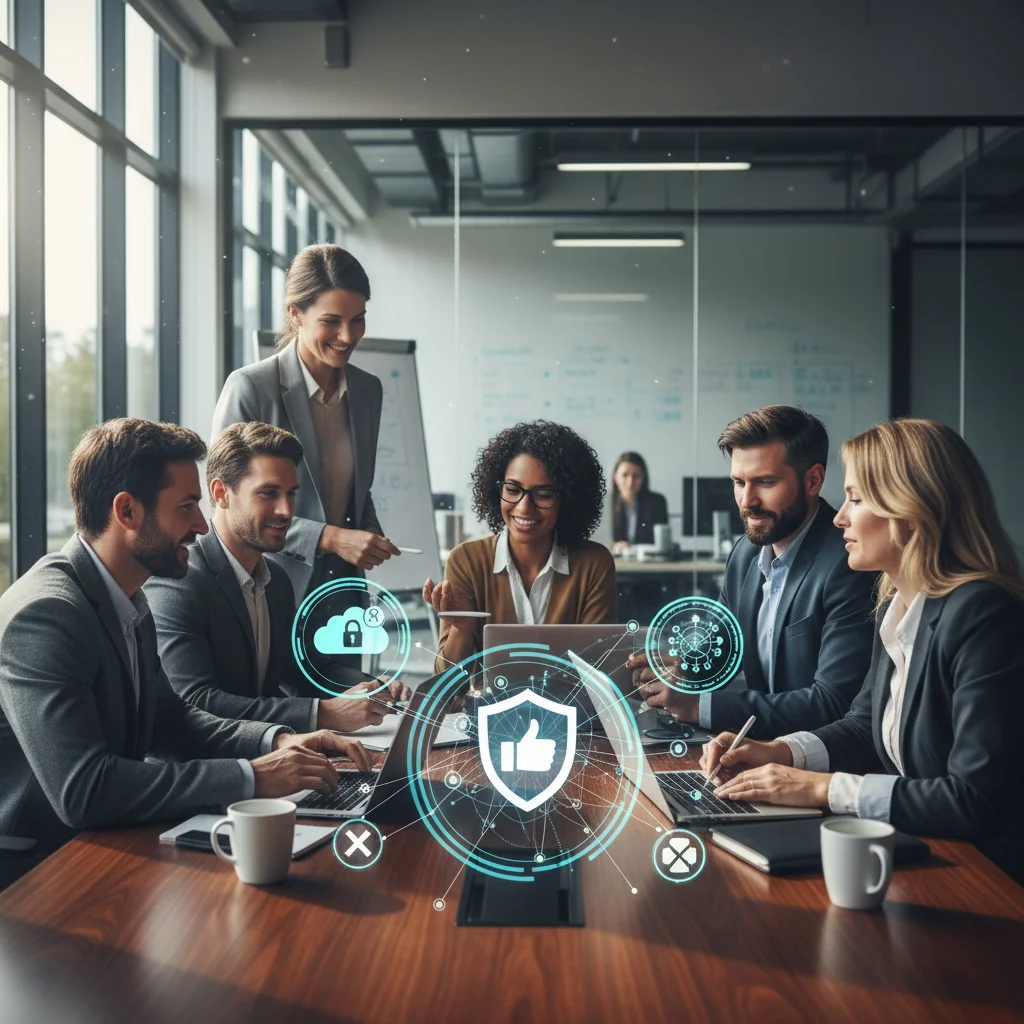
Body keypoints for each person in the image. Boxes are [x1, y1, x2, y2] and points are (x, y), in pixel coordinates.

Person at [0, 419, 370, 872]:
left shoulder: (128, 596)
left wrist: (282, 740)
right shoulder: (47, 615)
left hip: (109, 843)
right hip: (40, 870)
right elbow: (85, 790)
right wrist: (253, 776)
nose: (200, 524)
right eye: (186, 506)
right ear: (127, 512)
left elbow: (171, 721)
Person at [701, 418, 1024, 884]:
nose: (838, 517)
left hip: (988, 880)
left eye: (855, 499)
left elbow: (973, 799)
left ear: (912, 507)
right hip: (920, 852)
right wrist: (778, 752)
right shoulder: (895, 605)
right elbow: (860, 726)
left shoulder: (982, 614)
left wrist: (823, 788)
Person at [627, 406, 877, 738]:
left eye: (765, 482)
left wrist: (699, 706)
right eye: (739, 482)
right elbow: (724, 648)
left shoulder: (849, 562)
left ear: (813, 480)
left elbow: (833, 703)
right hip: (753, 753)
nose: (747, 501)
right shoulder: (745, 553)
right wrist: (682, 668)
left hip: (817, 764)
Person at [146, 422, 407, 734]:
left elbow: (303, 670)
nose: (286, 510)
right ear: (221, 493)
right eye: (268, 493)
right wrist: (321, 714)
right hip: (208, 770)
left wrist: (374, 688)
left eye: (291, 494)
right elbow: (196, 702)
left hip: (271, 758)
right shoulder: (180, 579)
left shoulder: (277, 580)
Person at [212, 244, 400, 606]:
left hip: (344, 594)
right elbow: (227, 506)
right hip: (269, 590)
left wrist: (368, 527)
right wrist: (329, 538)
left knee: (347, 667)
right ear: (295, 313)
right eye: (331, 321)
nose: (348, 336)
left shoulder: (367, 391)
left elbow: (357, 490)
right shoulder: (251, 388)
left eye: (358, 318)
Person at [424, 421, 617, 671]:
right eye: (513, 490)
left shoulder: (593, 564)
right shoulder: (466, 561)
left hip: (569, 710)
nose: (524, 507)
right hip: (485, 709)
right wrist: (462, 628)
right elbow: (448, 692)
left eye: (544, 494)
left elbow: (599, 675)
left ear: (568, 500)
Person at [609, 451, 669, 552]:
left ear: (643, 478)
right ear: (615, 477)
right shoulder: (604, 504)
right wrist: (613, 545)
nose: (630, 482)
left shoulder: (657, 502)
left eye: (636, 476)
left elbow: (661, 543)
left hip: (646, 563)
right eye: (625, 475)